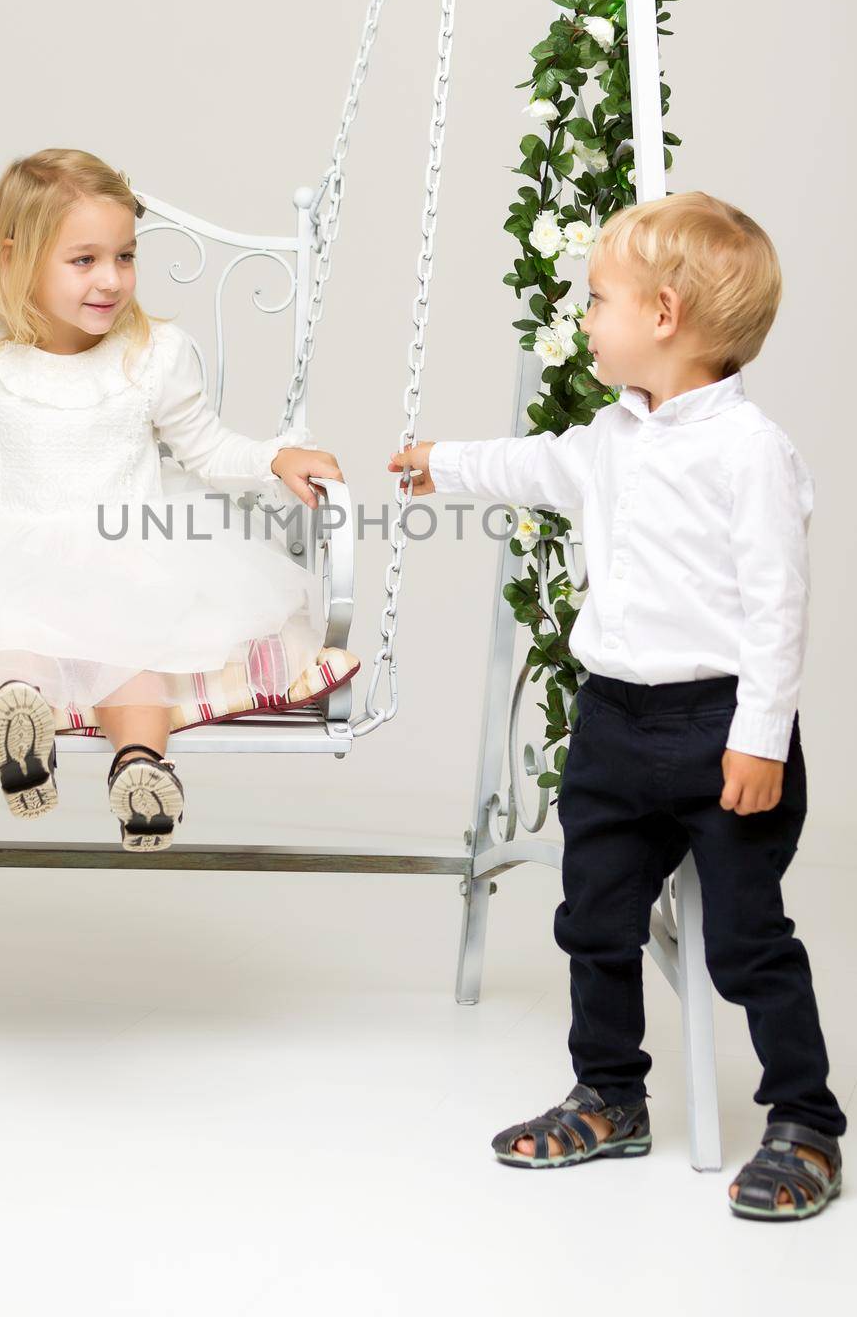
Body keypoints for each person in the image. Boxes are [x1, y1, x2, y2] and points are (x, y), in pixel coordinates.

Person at [389, 191, 845, 1221]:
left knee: (743, 938)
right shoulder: (607, 438)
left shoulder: (747, 453)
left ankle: (804, 1120)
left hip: (717, 726)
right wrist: (438, 462)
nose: (581, 317)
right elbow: (528, 465)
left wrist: (758, 738)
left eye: (596, 299)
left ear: (664, 316)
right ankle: (609, 1093)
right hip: (612, 726)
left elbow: (777, 608)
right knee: (590, 918)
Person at [0, 148, 350, 852]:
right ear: (16, 258)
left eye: (124, 257)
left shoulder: (153, 353)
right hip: (0, 545)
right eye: (84, 260)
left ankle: (141, 768)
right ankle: (18, 720)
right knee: (6, 631)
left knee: (136, 656)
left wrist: (276, 455)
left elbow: (207, 447)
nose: (111, 280)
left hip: (129, 548)